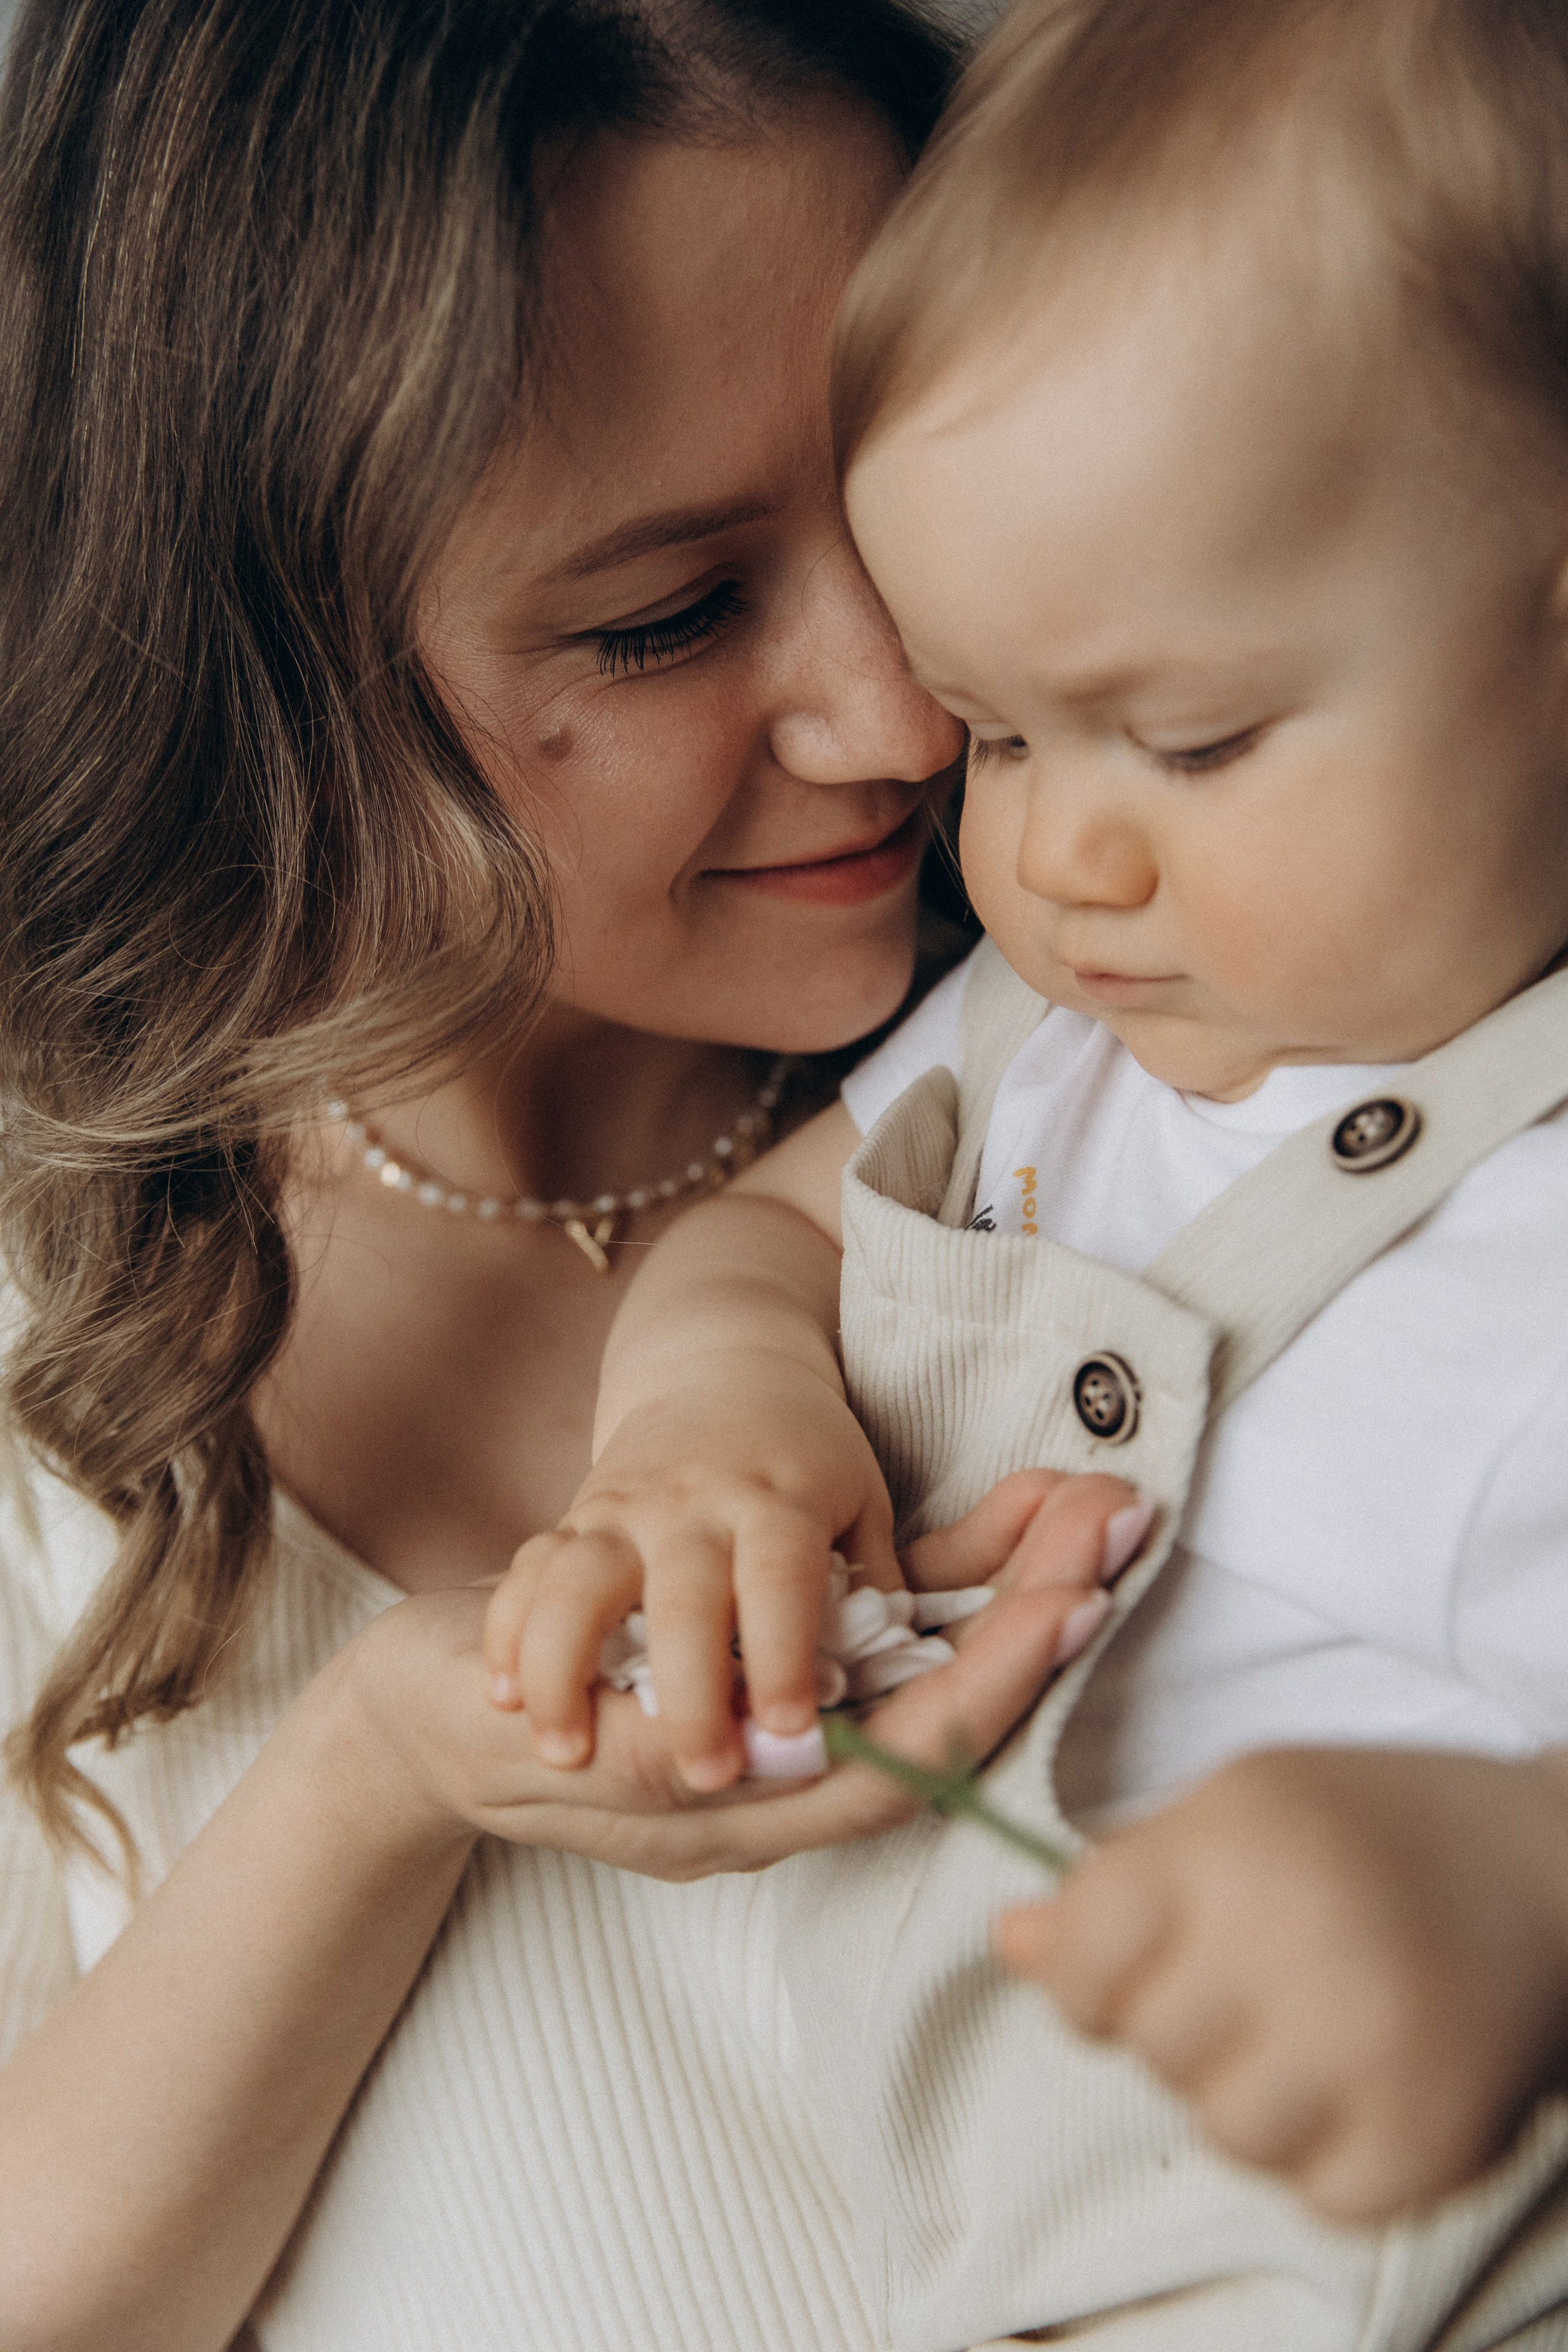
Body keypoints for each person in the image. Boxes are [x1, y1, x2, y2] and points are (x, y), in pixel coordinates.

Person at [0, 4, 1142, 2347]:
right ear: (250, 659)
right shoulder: (56, 1341)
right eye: (665, 617)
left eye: (906, 496)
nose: (902, 718)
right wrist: (379, 1773)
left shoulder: (1173, 1063)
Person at [486, 0, 1568, 2342]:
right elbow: (761, 1234)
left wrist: (1524, 1877)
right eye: (999, 732)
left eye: (1191, 736)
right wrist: (714, 1417)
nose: (1058, 852)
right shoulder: (1046, 1041)